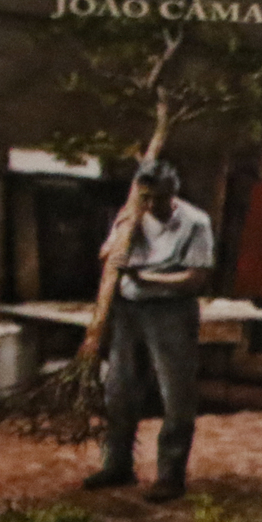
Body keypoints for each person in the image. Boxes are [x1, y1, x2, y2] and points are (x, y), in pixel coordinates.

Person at [84, 159, 213, 503]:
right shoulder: (131, 215)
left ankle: (171, 476)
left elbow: (194, 278)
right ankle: (117, 465)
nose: (152, 205)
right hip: (129, 310)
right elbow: (106, 256)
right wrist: (119, 241)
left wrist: (145, 276)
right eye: (146, 197)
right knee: (119, 389)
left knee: (176, 393)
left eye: (158, 198)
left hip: (172, 310)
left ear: (173, 192)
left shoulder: (195, 222)